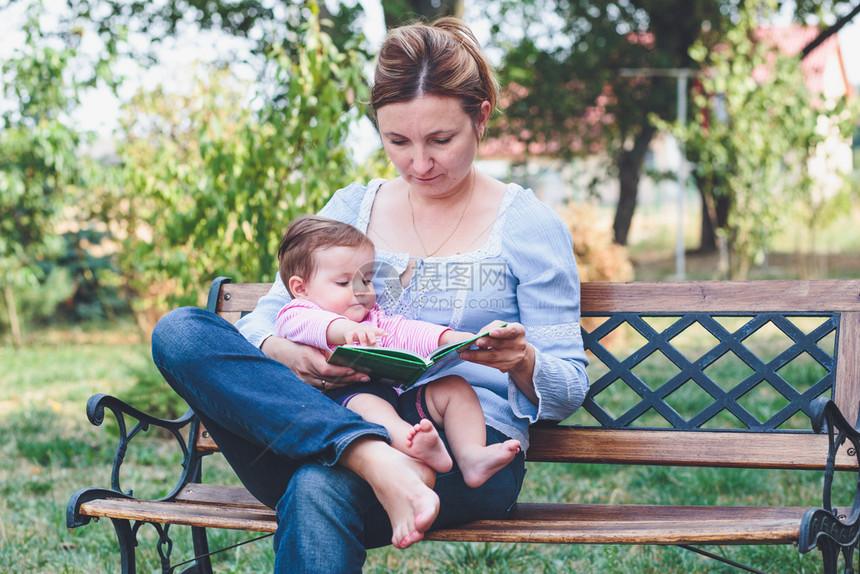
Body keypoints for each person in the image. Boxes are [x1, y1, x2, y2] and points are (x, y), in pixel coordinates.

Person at [151, 16, 589, 573]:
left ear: (480, 117)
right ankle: (372, 457)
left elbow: (569, 383)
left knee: (317, 487)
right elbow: (264, 322)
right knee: (181, 332)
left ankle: (367, 458)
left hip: (455, 455)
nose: (419, 163)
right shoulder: (353, 206)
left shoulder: (527, 224)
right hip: (316, 420)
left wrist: (523, 360)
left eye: (441, 140)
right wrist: (292, 354)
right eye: (397, 141)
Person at [274, 214, 522, 488]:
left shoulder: (372, 320)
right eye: (344, 283)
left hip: (396, 403)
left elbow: (409, 331)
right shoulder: (295, 313)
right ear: (301, 288)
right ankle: (413, 445)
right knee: (367, 403)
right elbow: (310, 325)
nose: (361, 291)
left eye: (366, 280)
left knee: (455, 388)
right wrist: (344, 330)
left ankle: (472, 457)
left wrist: (455, 338)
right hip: (339, 412)